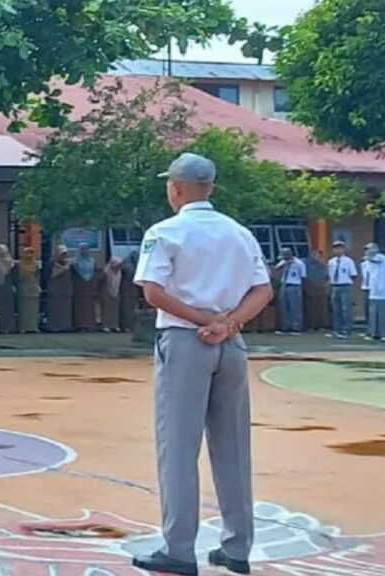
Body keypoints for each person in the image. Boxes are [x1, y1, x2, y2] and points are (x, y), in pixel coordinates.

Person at [132, 153, 273, 576]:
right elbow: (262, 290)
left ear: (175, 187)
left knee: (178, 447)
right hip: (232, 344)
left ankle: (178, 548)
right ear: (209, 187)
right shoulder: (239, 233)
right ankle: (237, 546)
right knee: (233, 447)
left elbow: (153, 292)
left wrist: (203, 320)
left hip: (184, 340)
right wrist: (229, 322)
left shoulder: (165, 231)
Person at [326, 240, 358, 339]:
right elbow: (329, 275)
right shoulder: (331, 262)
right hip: (335, 286)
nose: (337, 250)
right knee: (336, 308)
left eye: (340, 248)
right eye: (335, 248)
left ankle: (347, 330)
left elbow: (353, 275)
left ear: (343, 249)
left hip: (345, 285)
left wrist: (347, 282)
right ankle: (337, 329)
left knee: (346, 308)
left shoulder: (348, 261)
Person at [275, 247, 306, 335]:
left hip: (294, 285)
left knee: (295, 307)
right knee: (284, 307)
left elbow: (303, 276)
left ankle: (296, 328)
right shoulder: (283, 262)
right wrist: (283, 264)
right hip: (284, 285)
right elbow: (276, 269)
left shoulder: (299, 263)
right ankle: (285, 327)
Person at [0, 243, 18, 333]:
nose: (0, 252)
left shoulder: (11, 263)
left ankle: (8, 327)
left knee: (8, 309)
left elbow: (15, 276)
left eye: (2, 250)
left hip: (7, 288)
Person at [71, 243, 98, 331]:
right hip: (79, 288)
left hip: (89, 287)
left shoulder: (92, 261)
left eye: (87, 249)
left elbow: (94, 273)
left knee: (89, 307)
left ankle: (90, 325)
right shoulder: (75, 262)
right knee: (80, 308)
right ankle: (80, 325)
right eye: (83, 249)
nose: (85, 251)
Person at [46, 244, 73, 332]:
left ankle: (65, 326)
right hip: (55, 289)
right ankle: (54, 326)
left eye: (65, 254)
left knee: (65, 309)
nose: (64, 256)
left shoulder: (68, 263)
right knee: (55, 309)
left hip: (65, 290)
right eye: (62, 253)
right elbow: (50, 274)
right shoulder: (52, 262)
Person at [17, 247, 41, 333]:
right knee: (24, 310)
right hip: (24, 288)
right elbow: (18, 277)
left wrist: (38, 286)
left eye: (31, 253)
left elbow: (38, 276)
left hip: (34, 288)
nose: (29, 255)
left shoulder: (35, 264)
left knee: (34, 309)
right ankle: (23, 327)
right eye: (27, 253)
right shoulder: (20, 264)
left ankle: (33, 327)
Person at [101, 256, 123, 332]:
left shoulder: (119, 272)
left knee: (115, 309)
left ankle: (114, 325)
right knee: (107, 309)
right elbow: (103, 282)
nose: (118, 267)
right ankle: (106, 326)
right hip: (106, 291)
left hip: (116, 291)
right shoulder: (106, 271)